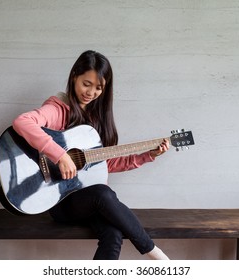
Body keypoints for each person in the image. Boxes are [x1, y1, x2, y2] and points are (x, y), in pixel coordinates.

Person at [12, 50, 170, 260]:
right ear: (74, 75)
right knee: (104, 194)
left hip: (89, 200)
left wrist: (148, 155)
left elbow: (107, 164)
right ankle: (157, 255)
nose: (91, 92)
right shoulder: (58, 109)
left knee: (114, 234)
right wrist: (61, 156)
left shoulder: (96, 119)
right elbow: (22, 122)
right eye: (87, 84)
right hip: (60, 202)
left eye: (98, 88)